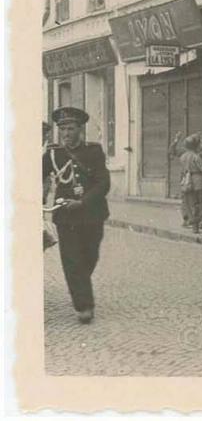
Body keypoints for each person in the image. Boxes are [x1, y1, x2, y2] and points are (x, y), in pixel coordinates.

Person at [42, 107, 110, 324]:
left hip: (92, 214)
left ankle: (80, 285)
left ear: (80, 129)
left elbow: (103, 183)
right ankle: (84, 305)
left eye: (70, 128)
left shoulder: (94, 151)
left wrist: (82, 202)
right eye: (62, 129)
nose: (66, 133)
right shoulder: (53, 154)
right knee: (72, 260)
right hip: (65, 216)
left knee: (90, 256)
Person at [180, 134, 202, 234]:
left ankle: (195, 227)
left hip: (188, 181)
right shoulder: (196, 156)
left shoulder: (183, 156)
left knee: (193, 204)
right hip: (199, 181)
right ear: (195, 146)